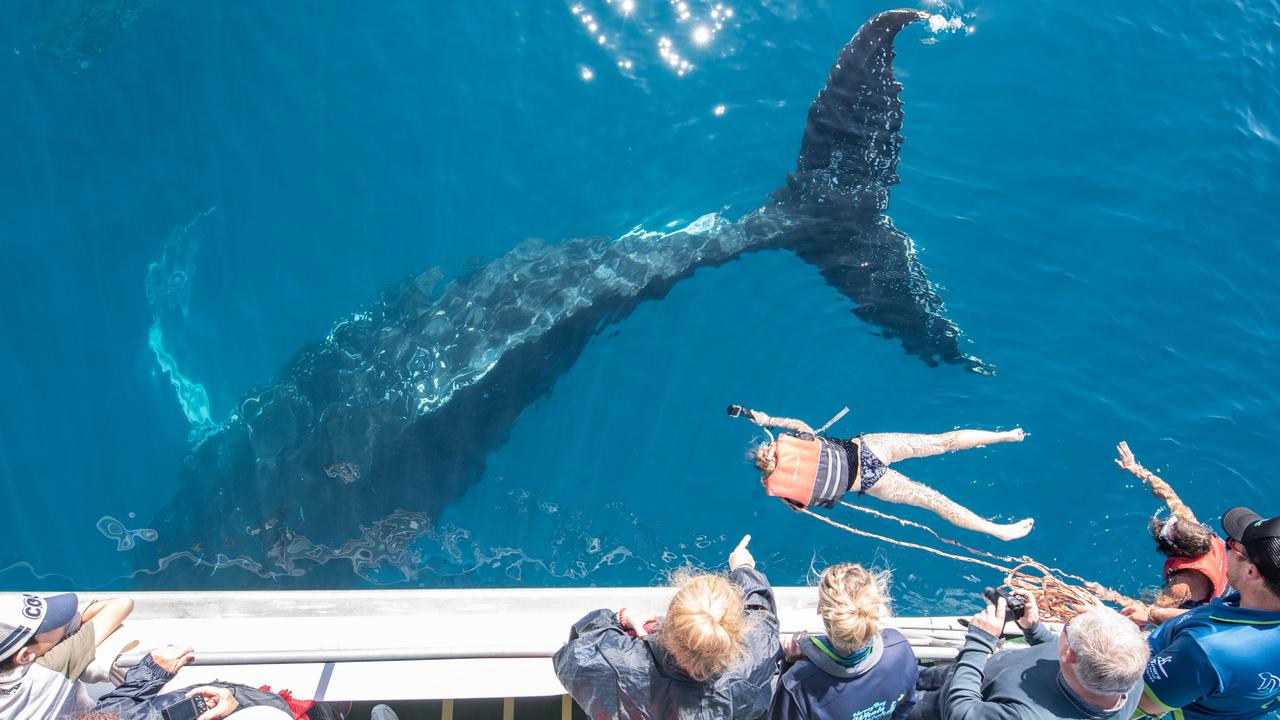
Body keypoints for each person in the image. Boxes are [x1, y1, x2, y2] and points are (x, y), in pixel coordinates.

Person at [553, 535, 781, 718]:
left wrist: (622, 617)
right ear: (738, 629)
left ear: (670, 623)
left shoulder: (616, 662)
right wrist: (743, 568)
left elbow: (573, 654)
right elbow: (761, 611)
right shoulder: (759, 650)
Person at [740, 407, 1033, 541]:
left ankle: (996, 530)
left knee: (934, 501)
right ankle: (1005, 436)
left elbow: (801, 509)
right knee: (941, 441)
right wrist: (767, 420)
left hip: (869, 483)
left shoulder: (783, 491)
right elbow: (798, 421)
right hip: (871, 448)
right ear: (773, 449)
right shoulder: (800, 440)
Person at [908, 590, 1149, 720]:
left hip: (942, 705)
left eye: (1068, 625)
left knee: (899, 702)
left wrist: (980, 642)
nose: (1066, 623)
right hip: (969, 672)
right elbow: (1074, 659)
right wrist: (1034, 629)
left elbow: (962, 713)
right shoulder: (1128, 676)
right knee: (913, 674)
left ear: (1070, 656)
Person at [1137, 506, 1280, 720]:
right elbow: (1221, 626)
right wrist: (1153, 615)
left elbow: (1134, 703)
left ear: (1251, 571)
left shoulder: (1204, 652)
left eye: (1232, 544)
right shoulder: (1248, 611)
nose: (1224, 547)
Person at [770, 563, 918, 720]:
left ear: (820, 608)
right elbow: (905, 706)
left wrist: (790, 664)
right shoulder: (899, 648)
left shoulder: (797, 684)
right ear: (875, 607)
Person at [1114, 442, 1231, 627]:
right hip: (1226, 575)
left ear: (1179, 552)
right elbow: (1168, 493)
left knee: (1145, 604)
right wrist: (1135, 468)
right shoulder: (1194, 529)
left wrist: (1110, 595)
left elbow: (1149, 615)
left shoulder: (1182, 585)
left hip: (1216, 603)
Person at [79, 643, 345, 719]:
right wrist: (233, 702)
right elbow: (273, 710)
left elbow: (117, 705)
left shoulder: (107, 716)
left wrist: (154, 671)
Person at [0, 592, 134, 719]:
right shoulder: (53, 664)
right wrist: (76, 619)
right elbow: (122, 605)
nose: (61, 622)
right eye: (49, 625)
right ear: (26, 655)